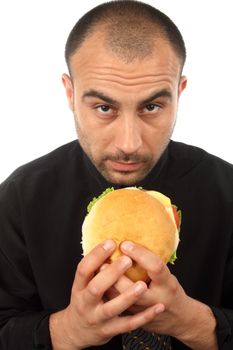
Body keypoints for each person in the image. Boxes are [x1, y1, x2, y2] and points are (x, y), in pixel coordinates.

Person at [0, 0, 233, 349]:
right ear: (70, 93)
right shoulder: (18, 200)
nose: (129, 143)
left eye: (152, 106)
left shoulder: (228, 192)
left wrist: (198, 325)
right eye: (104, 108)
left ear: (179, 93)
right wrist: (64, 332)